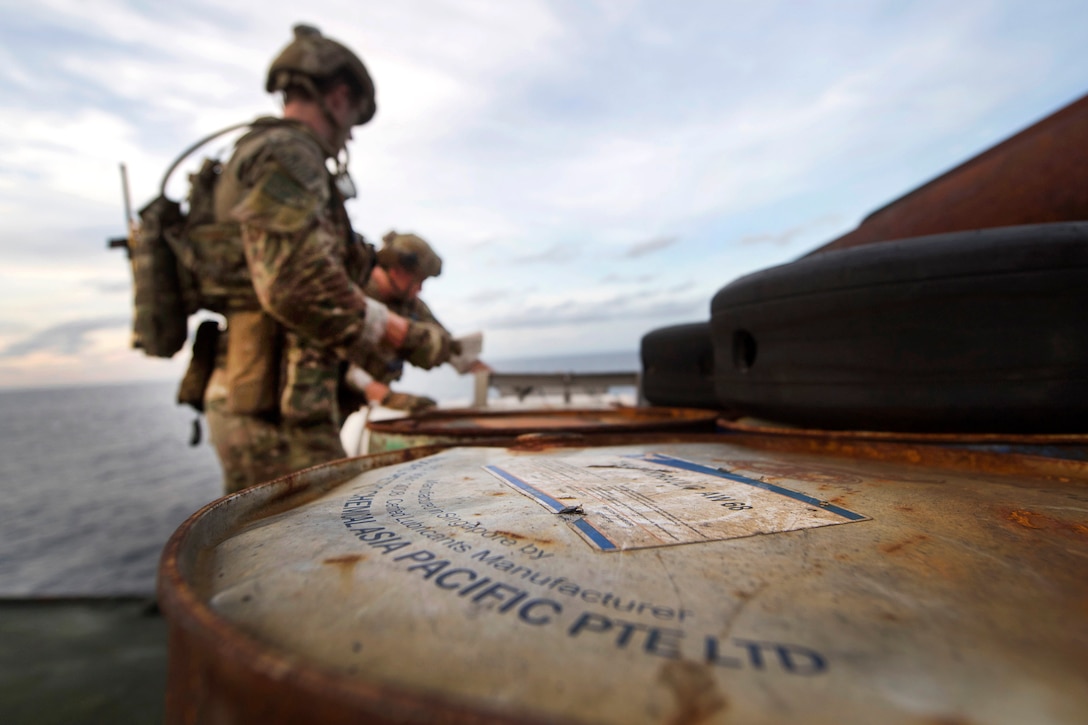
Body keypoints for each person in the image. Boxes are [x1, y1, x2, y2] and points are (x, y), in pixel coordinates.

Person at [201, 25, 451, 493]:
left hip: (271, 397)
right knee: (307, 542)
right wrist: (401, 335)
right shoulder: (289, 155)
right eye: (354, 118)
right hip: (274, 412)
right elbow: (295, 283)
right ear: (337, 98)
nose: (350, 135)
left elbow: (329, 267)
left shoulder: (267, 152)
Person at [342, 231, 490, 414]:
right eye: (418, 280)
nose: (420, 288)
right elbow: (338, 361)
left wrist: (474, 366)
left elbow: (445, 343)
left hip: (363, 407)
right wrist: (385, 396)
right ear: (398, 271)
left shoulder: (410, 305)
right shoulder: (354, 296)